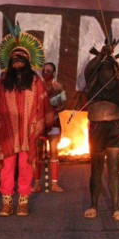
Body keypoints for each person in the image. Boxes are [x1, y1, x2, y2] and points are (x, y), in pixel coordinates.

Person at [0, 31, 47, 217]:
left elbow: (42, 106)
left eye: (21, 59)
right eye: (14, 59)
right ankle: (6, 204)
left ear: (27, 62)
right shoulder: (3, 83)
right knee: (7, 168)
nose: (17, 62)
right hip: (8, 134)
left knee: (26, 166)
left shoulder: (36, 82)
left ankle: (22, 203)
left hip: (28, 133)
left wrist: (37, 127)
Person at [83, 45, 119, 220]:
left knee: (113, 168)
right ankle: (93, 205)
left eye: (109, 68)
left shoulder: (118, 82)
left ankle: (116, 208)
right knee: (96, 168)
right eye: (103, 68)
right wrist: (101, 55)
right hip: (97, 126)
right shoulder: (93, 79)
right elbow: (88, 70)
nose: (106, 71)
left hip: (115, 126)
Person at [33, 62, 67, 193]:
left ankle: (54, 184)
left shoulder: (59, 87)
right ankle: (36, 184)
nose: (45, 73)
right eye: (44, 71)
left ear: (53, 73)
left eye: (48, 71)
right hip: (40, 123)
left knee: (53, 151)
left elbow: (64, 103)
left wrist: (54, 110)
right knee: (38, 153)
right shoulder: (37, 86)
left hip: (54, 123)